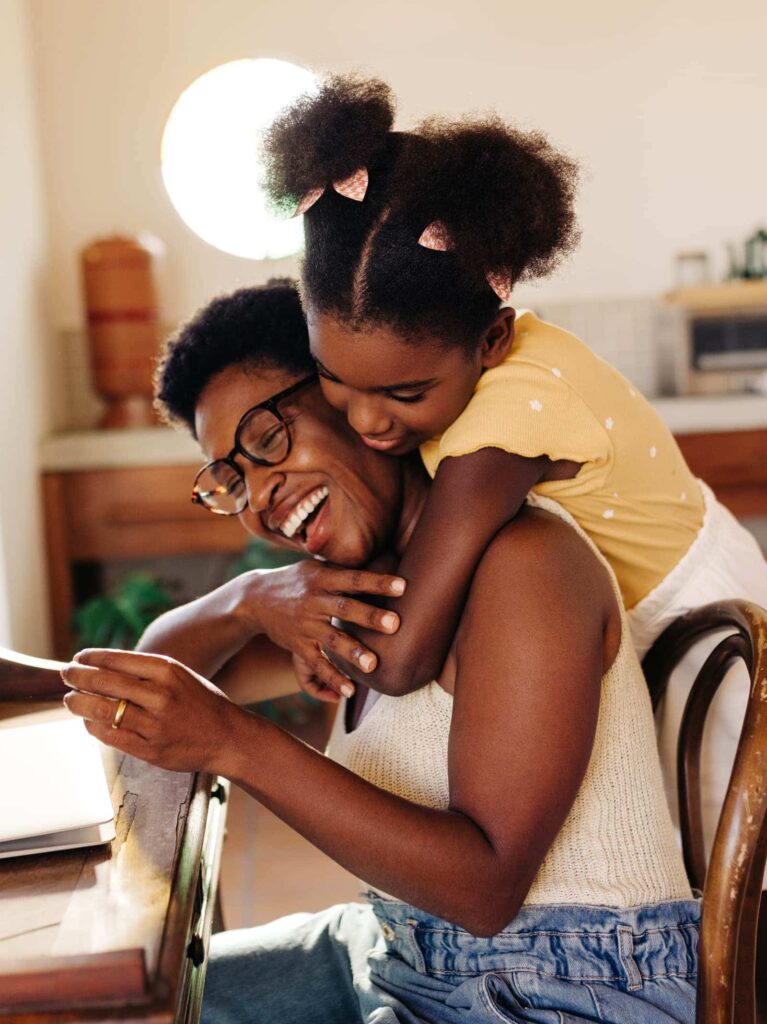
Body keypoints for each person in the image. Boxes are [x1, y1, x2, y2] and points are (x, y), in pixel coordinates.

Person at [62, 282, 699, 1023]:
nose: (262, 493)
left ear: (352, 395)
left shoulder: (524, 563)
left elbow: (485, 888)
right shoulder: (362, 596)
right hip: (397, 947)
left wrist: (237, 744)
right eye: (232, 479)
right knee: (117, 1007)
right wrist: (251, 597)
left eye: (269, 440)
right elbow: (161, 669)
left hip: (566, 988)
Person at [262, 75, 767, 855]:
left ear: (492, 342)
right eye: (335, 378)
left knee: (739, 887)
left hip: (699, 634)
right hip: (646, 625)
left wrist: (295, 619)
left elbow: (398, 658)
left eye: (403, 391)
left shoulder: (504, 428)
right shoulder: (458, 377)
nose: (364, 420)